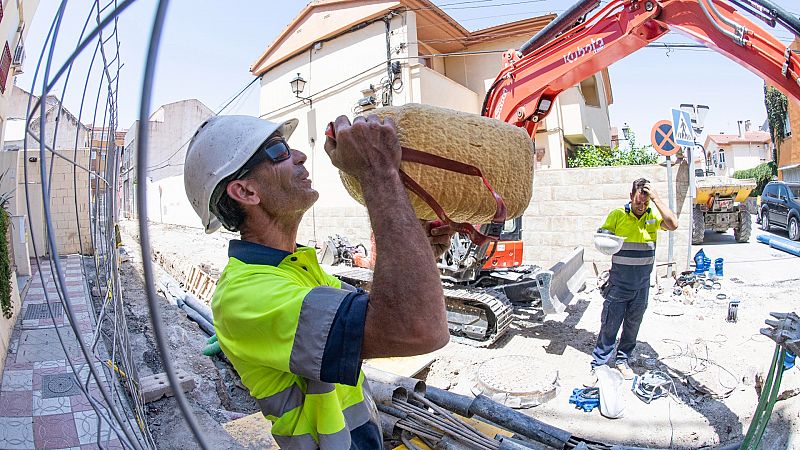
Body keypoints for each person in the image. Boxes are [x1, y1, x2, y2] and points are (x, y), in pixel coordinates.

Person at [183, 114, 454, 449]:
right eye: (279, 151)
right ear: (245, 190)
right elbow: (417, 328)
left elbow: (380, 317)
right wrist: (378, 173)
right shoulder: (244, 296)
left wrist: (420, 250)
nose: (300, 155)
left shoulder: (298, 267)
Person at [590, 178, 678, 381]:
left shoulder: (652, 215)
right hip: (619, 283)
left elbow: (673, 224)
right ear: (631, 196)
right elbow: (602, 236)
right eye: (639, 201)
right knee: (610, 325)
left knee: (632, 326)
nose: (641, 206)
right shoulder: (617, 215)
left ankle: (622, 360)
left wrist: (656, 199)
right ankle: (599, 363)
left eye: (645, 202)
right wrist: (605, 241)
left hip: (641, 286)